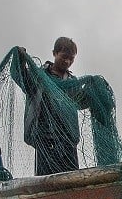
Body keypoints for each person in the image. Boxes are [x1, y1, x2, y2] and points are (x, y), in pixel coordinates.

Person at [16, 37, 83, 175]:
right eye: (64, 57)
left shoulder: (72, 82)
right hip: (44, 135)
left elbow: (82, 101)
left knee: (71, 178)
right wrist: (20, 60)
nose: (67, 61)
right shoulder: (39, 76)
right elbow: (23, 79)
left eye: (71, 58)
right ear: (54, 53)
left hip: (67, 137)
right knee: (45, 180)